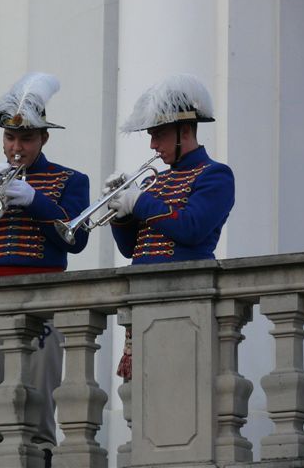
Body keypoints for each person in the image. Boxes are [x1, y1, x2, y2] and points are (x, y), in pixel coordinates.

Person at [0, 72, 90, 467]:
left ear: (43, 138)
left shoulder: (69, 181)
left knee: (37, 403)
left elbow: (75, 241)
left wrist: (34, 200)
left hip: (43, 299)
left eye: (25, 138)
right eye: (10, 139)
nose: (16, 147)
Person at [108, 73, 235, 380]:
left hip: (186, 297)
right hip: (141, 296)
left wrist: (138, 203)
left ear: (185, 130)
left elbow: (192, 229)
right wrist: (120, 213)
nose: (153, 145)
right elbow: (131, 247)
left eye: (159, 135)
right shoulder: (154, 182)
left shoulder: (215, 175)